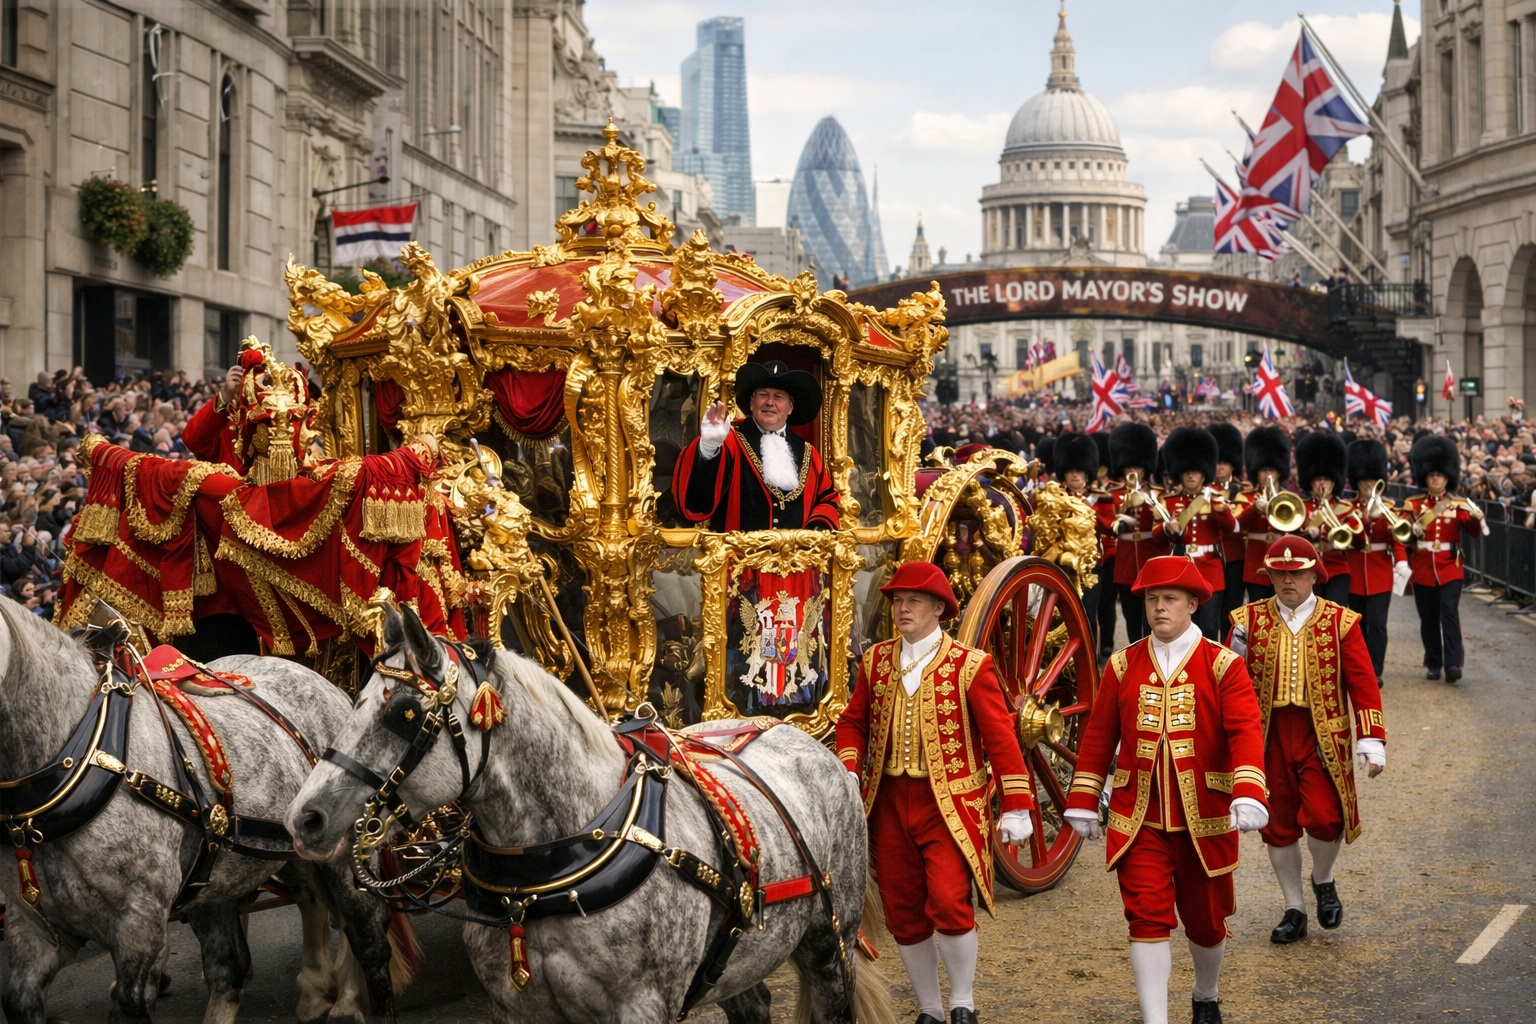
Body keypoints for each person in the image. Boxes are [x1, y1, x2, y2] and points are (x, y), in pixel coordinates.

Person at [1065, 555, 1268, 1024]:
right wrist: (1083, 799)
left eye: (1170, 599)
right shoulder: (1122, 664)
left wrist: (1248, 789)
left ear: (1192, 604)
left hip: (1206, 817)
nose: (1159, 607)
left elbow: (1245, 730)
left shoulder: (1223, 664)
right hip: (1139, 818)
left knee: (1207, 922)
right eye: (1152, 599)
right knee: (1146, 918)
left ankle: (1205, 992)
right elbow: (1098, 737)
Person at [836, 560, 1033, 1024]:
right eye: (897, 601)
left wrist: (1018, 804)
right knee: (902, 909)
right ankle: (930, 1008)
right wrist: (849, 766)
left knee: (948, 901)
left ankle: (963, 1001)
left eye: (914, 602)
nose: (902, 609)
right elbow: (853, 722)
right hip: (887, 803)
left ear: (938, 609)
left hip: (949, 806)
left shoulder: (970, 665)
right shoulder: (876, 660)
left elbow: (1001, 738)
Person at [1226, 537, 1386, 944]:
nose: (1287, 580)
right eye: (1279, 573)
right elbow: (1227, 682)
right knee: (1277, 825)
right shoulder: (1247, 619)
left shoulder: (1341, 621)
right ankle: (1294, 908)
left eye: (1296, 573)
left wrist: (1372, 737)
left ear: (1314, 574)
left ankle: (1323, 877)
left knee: (1325, 817)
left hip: (1321, 736)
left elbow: (1363, 682)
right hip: (1268, 736)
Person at [672, 359, 839, 532]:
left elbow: (827, 499)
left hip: (797, 549)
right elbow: (697, 499)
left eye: (778, 396)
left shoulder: (808, 452)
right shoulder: (730, 441)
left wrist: (817, 529)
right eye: (763, 395)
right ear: (752, 403)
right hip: (737, 549)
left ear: (790, 407)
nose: (770, 402)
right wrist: (708, 447)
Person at [1403, 435, 1487, 684]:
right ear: (1425, 477)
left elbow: (1472, 532)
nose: (1436, 479)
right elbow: (1401, 534)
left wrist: (1475, 519)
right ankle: (1433, 662)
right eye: (1432, 475)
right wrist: (1412, 531)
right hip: (1423, 567)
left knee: (1449, 612)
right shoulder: (1413, 505)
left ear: (1448, 477)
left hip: (1450, 566)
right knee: (1428, 618)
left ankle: (1452, 664)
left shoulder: (1458, 504)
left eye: (1440, 475)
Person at [1152, 427, 1237, 640]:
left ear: (1204, 473)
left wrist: (1222, 511)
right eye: (1186, 470)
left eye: (1196, 471)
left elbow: (1231, 528)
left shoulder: (1214, 498)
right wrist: (1167, 529)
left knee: (1209, 627)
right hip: (1182, 568)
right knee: (1183, 625)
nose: (1191, 475)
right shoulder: (1169, 501)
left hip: (1210, 569)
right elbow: (1156, 537)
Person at [1344, 439, 1409, 685]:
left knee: (1378, 625)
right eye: (1364, 480)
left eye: (1372, 479)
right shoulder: (1347, 508)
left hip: (1380, 572)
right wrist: (1365, 519)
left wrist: (1401, 562)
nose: (1368, 484)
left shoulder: (1390, 508)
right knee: (1358, 626)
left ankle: (1375, 671)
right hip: (1354, 571)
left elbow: (1398, 540)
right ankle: (1360, 669)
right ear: (1357, 481)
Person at [1110, 422, 1168, 645]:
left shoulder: (1158, 495)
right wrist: (1124, 508)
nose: (1132, 471)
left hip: (1150, 560)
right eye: (1128, 467)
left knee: (1154, 616)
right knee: (1131, 617)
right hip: (1126, 565)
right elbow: (1108, 525)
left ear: (1145, 467)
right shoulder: (1114, 495)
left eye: (1137, 467)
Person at [1054, 432, 1108, 647]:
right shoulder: (1056, 497)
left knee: (1088, 613)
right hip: (1064, 561)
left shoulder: (1100, 497)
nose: (1074, 475)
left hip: (1091, 563)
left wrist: (1087, 511)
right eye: (1070, 471)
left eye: (1078, 471)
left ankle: (1090, 657)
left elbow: (1108, 526)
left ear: (1087, 473)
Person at [1295, 432, 1359, 605]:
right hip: (1309, 569)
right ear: (1310, 482)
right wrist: (1306, 533)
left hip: (1337, 568)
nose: (1322, 484)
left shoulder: (1345, 508)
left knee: (1335, 614)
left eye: (1326, 479)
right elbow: (1292, 536)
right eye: (1318, 480)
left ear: (1334, 482)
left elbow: (1358, 539)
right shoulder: (1302, 507)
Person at [1236, 426, 1292, 603]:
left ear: (1279, 471)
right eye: (1263, 470)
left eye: (1271, 470)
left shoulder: (1289, 499)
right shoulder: (1246, 497)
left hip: (1283, 563)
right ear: (1256, 472)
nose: (1267, 474)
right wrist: (1255, 509)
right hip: (1256, 563)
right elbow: (1237, 525)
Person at [1209, 422, 1248, 628]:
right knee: (1210, 613)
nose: (1220, 466)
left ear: (1233, 464)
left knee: (1232, 611)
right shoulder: (1205, 491)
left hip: (1235, 556)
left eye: (1225, 462)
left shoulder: (1243, 490)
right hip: (1211, 557)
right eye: (1217, 462)